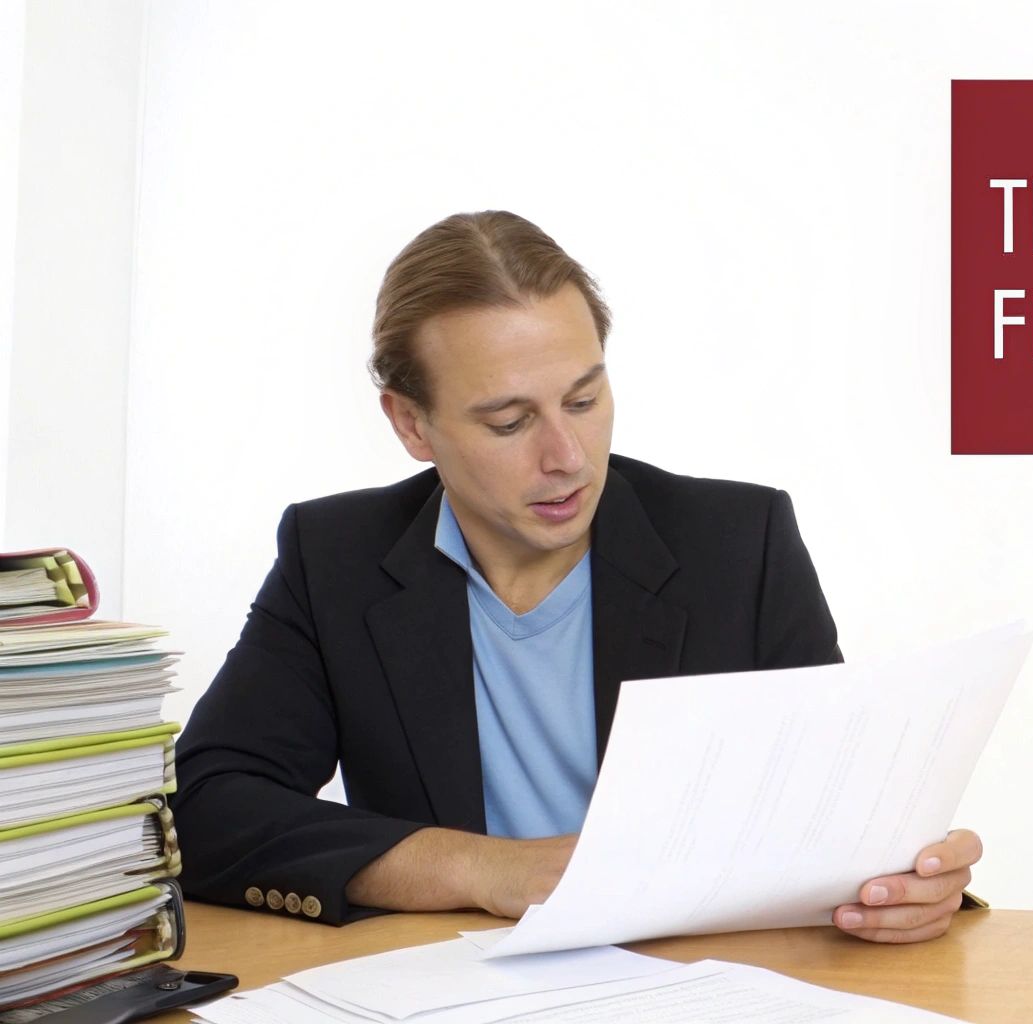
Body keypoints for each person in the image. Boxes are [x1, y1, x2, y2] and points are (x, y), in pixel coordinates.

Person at [172, 210, 983, 944]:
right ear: (411, 423)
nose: (565, 458)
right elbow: (208, 805)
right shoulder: (335, 555)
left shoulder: (740, 544)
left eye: (584, 400)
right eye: (509, 420)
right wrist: (482, 869)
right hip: (448, 987)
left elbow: (831, 814)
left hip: (700, 982)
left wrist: (910, 883)